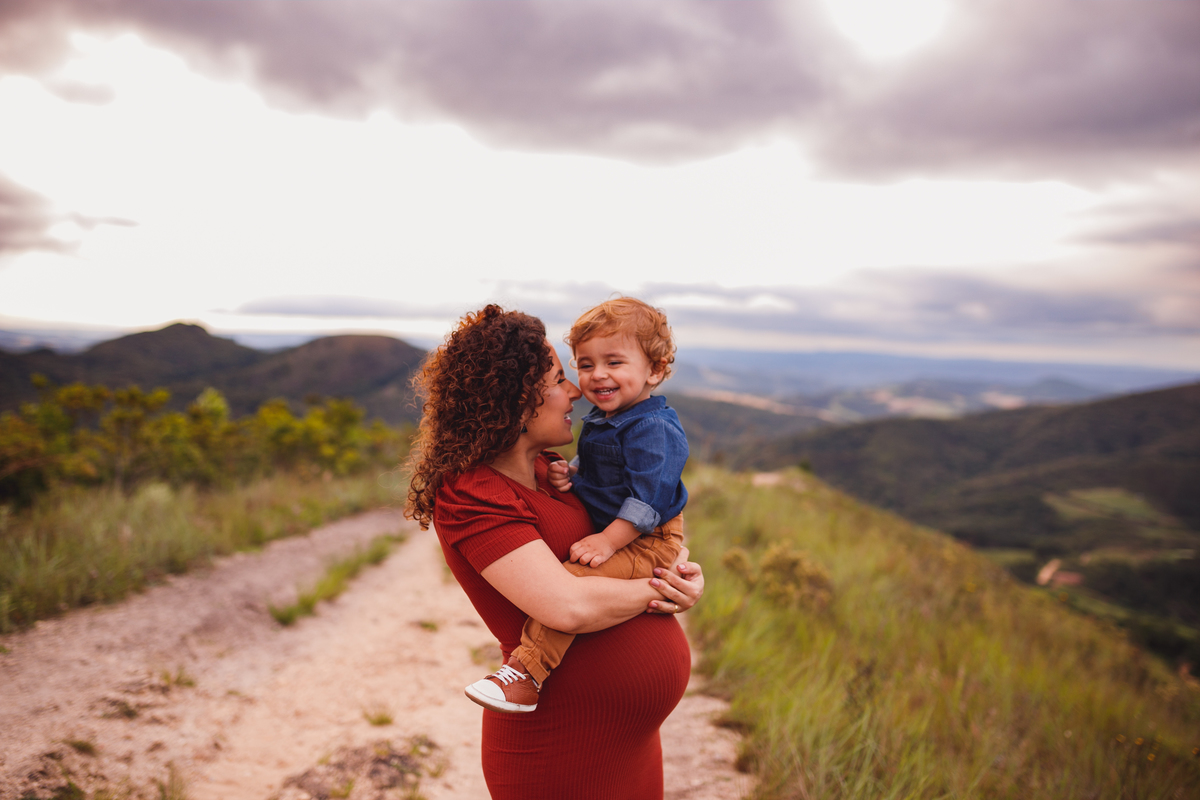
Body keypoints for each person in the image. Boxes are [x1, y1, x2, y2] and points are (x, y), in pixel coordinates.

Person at [404, 304, 704, 800]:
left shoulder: (552, 470)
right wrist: (660, 589)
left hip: (630, 746)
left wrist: (679, 574)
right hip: (561, 747)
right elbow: (567, 605)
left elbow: (643, 529)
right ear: (517, 397)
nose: (575, 391)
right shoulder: (471, 490)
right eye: (562, 377)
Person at [463, 297, 689, 714]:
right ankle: (527, 673)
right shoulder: (475, 490)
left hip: (642, 540)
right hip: (564, 731)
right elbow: (610, 467)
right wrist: (576, 476)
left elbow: (647, 500)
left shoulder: (654, 428)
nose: (589, 380)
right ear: (518, 396)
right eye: (582, 367)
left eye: (613, 363)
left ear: (654, 370)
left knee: (579, 571)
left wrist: (608, 541)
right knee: (572, 578)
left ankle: (528, 671)